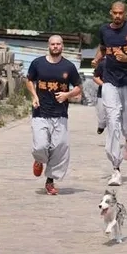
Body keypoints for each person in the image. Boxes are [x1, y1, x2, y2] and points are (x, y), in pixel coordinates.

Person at [92, 1, 127, 186]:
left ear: (126, 14)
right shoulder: (104, 30)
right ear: (111, 13)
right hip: (110, 81)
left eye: (121, 13)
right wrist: (96, 59)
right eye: (115, 13)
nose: (117, 16)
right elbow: (102, 49)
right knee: (112, 120)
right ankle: (116, 168)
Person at [26, 35, 83, 195]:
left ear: (62, 46)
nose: (55, 46)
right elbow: (29, 80)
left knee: (60, 147)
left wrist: (67, 95)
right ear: (48, 46)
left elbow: (79, 87)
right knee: (40, 146)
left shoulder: (69, 66)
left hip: (60, 114)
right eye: (53, 44)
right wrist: (34, 96)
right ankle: (39, 160)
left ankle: (50, 181)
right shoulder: (38, 63)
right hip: (40, 112)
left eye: (58, 44)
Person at [92, 47, 107, 135]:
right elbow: (95, 77)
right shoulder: (103, 64)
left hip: (116, 94)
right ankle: (101, 125)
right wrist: (105, 86)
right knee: (101, 116)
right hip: (102, 93)